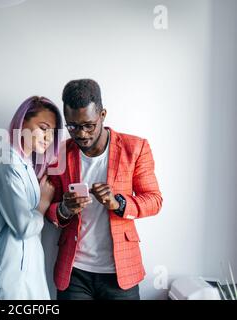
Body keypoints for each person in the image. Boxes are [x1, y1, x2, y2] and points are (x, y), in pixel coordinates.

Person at [46, 79, 163, 300]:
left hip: (120, 272)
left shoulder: (135, 148)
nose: (80, 134)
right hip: (74, 273)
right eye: (72, 126)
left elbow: (155, 200)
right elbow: (47, 208)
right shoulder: (58, 154)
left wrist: (119, 203)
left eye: (88, 125)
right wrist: (63, 209)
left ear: (102, 115)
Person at [0, 96, 63, 299]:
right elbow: (23, 227)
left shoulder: (26, 166)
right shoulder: (8, 166)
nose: (49, 137)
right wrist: (42, 204)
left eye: (52, 131)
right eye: (43, 127)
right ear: (22, 124)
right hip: (9, 276)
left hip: (25, 272)